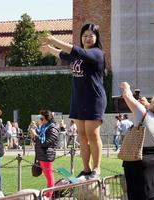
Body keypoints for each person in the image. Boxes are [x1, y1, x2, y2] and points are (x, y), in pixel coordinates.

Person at [40, 23, 107, 180]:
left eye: (91, 35)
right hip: (78, 100)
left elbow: (74, 50)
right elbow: (64, 55)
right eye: (84, 35)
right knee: (82, 135)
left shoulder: (97, 53)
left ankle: (96, 169)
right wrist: (48, 48)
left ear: (96, 38)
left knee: (92, 134)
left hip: (94, 99)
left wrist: (54, 39)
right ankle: (86, 169)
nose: (87, 38)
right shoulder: (79, 55)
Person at [120, 82, 154, 200]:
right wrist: (149, 105)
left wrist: (126, 87)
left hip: (139, 163)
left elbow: (127, 97)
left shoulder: (144, 114)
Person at [29, 110, 58, 200]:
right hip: (41, 155)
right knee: (48, 176)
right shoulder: (43, 127)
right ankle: (49, 194)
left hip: (46, 155)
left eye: (42, 118)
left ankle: (49, 196)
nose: (41, 120)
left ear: (47, 119)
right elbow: (38, 142)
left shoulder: (52, 129)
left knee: (49, 176)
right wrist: (33, 135)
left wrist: (36, 135)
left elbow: (45, 143)